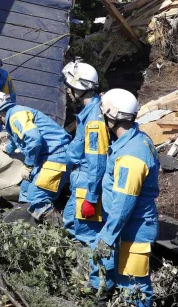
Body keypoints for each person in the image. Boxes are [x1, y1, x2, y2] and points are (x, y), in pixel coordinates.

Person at [91, 89, 159, 307]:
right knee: (111, 269)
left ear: (111, 116)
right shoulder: (137, 138)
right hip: (124, 225)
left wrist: (107, 236)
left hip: (133, 227)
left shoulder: (130, 155)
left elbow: (124, 203)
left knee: (133, 285)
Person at [0, 91, 72, 223]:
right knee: (25, 189)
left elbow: (34, 140)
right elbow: (18, 137)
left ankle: (58, 231)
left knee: (36, 197)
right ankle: (27, 224)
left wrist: (28, 165)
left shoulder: (16, 117)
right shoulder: (14, 115)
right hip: (46, 157)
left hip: (56, 157)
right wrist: (7, 148)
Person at [59, 60, 107, 244]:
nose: (68, 91)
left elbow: (97, 161)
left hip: (88, 185)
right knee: (71, 225)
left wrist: (92, 198)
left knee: (86, 237)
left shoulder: (94, 120)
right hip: (81, 181)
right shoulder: (90, 112)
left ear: (78, 89)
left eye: (69, 87)